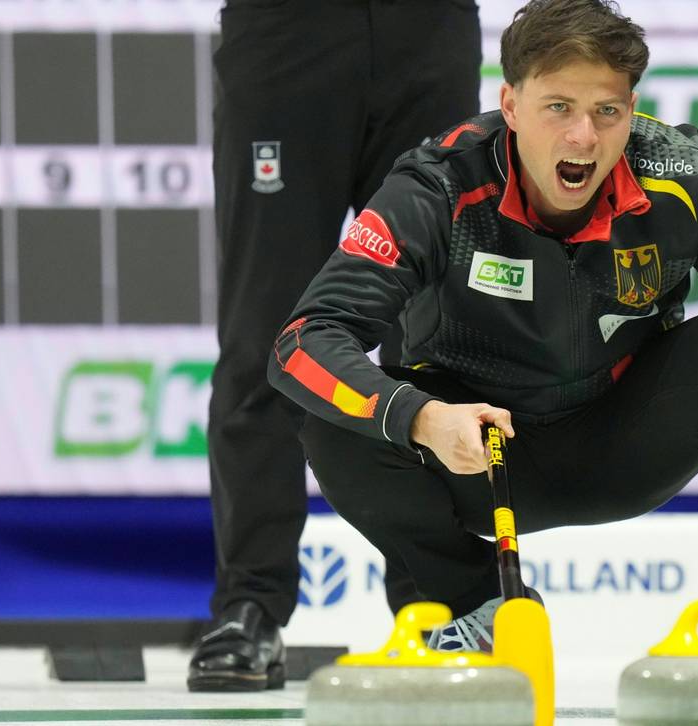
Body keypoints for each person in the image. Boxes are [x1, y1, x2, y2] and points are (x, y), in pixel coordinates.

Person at [268, 0, 698, 676]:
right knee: (340, 412)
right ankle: (471, 611)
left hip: (623, 441)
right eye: (558, 107)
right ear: (511, 104)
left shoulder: (680, 174)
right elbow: (304, 341)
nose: (583, 137)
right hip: (478, 458)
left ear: (632, 109)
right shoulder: (436, 187)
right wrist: (422, 418)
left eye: (607, 112)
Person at [190, 0, 481, 692]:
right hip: (286, 32)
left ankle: (440, 605)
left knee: (434, 334)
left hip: (428, 33)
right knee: (267, 333)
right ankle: (250, 604)